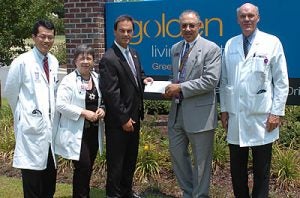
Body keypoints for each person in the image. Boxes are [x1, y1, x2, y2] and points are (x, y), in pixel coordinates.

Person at [219, 3, 289, 198]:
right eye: (243, 16)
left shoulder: (271, 42)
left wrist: (276, 112)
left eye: (250, 16)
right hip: (236, 117)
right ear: (238, 20)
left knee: (262, 171)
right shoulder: (231, 44)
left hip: (263, 118)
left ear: (258, 18)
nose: (247, 19)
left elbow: (282, 81)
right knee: (237, 172)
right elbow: (224, 81)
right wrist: (224, 110)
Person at [164, 10, 221, 198]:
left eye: (191, 25)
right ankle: (189, 193)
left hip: (200, 115)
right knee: (178, 156)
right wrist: (164, 86)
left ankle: (200, 195)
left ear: (199, 26)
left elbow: (211, 80)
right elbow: (175, 77)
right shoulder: (175, 49)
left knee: (202, 162)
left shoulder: (211, 48)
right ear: (179, 27)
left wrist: (179, 88)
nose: (187, 29)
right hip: (176, 113)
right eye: (184, 25)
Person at [99, 15, 153, 198]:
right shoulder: (109, 58)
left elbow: (135, 75)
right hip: (119, 122)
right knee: (117, 163)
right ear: (115, 31)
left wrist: (144, 79)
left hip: (134, 117)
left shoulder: (133, 53)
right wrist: (123, 119)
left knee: (130, 160)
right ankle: (113, 195)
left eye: (129, 30)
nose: (126, 34)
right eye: (122, 30)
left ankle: (126, 192)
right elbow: (111, 93)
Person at [4, 19, 58, 198]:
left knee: (49, 183)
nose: (46, 40)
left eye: (50, 37)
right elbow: (11, 93)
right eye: (42, 36)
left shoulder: (54, 61)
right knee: (33, 187)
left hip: (50, 132)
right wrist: (23, 116)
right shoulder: (22, 62)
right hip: (31, 131)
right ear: (34, 37)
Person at [54, 44, 105, 197]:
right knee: (83, 166)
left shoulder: (97, 78)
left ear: (93, 61)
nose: (85, 61)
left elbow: (104, 99)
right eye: (81, 58)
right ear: (75, 61)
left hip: (93, 131)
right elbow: (61, 105)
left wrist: (103, 108)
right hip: (77, 132)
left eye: (89, 58)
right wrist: (83, 113)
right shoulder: (69, 80)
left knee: (87, 168)